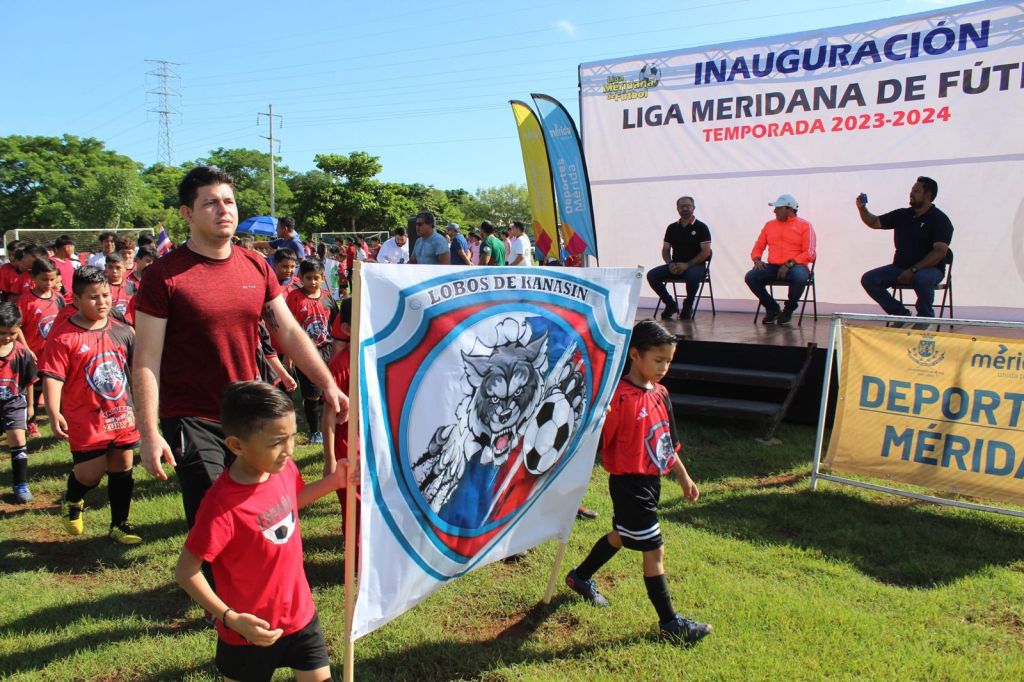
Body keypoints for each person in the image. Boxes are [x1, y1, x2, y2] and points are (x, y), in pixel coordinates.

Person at [133, 166, 346, 538]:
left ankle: (257, 572)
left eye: (229, 201)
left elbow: (288, 331)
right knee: (214, 516)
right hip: (192, 416)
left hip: (249, 411)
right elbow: (146, 359)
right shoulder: (163, 276)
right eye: (210, 203)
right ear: (187, 213)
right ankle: (213, 577)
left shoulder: (255, 265)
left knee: (260, 509)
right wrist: (149, 432)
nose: (223, 210)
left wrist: (327, 383)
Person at [175, 381, 342, 682]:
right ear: (237, 446)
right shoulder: (221, 507)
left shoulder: (283, 469)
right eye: (277, 442)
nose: (289, 450)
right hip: (248, 633)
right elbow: (187, 572)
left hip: (301, 617)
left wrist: (333, 482)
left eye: (292, 437)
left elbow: (291, 502)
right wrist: (230, 618)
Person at [564, 319, 712, 643]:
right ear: (634, 355)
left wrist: (683, 476)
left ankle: (580, 577)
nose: (664, 368)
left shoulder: (661, 394)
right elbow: (594, 444)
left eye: (668, 361)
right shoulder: (617, 398)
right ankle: (670, 624)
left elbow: (666, 443)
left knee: (621, 535)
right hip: (628, 484)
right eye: (658, 360)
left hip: (651, 483)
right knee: (654, 550)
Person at [40, 266, 142, 544]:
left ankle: (119, 525)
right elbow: (53, 376)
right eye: (94, 297)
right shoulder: (64, 336)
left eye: (106, 295)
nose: (102, 302)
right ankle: (73, 498)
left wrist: (144, 407)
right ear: (76, 299)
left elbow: (135, 372)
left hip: (122, 413)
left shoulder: (123, 331)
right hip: (85, 418)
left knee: (123, 467)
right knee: (90, 474)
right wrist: (53, 411)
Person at [857, 177, 954, 323]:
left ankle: (925, 318)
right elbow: (874, 222)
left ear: (928, 195)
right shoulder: (902, 214)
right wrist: (862, 208)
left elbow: (940, 252)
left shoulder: (940, 220)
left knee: (921, 278)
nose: (911, 194)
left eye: (916, 191)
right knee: (869, 279)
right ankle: (901, 314)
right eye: (911, 190)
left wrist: (913, 270)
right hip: (900, 267)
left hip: (930, 269)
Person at [285, 259, 337, 445]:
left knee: (328, 390)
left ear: (323, 278)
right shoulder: (294, 298)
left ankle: (332, 425)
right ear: (301, 277)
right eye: (308, 278)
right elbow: (288, 327)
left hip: (327, 350)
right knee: (312, 393)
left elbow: (336, 325)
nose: (313, 282)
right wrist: (289, 354)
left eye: (316, 278)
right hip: (304, 352)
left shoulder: (328, 298)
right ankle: (315, 432)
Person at [744, 194, 816, 325]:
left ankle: (788, 310)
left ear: (789, 209)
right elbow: (758, 246)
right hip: (773, 266)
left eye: (778, 208)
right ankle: (772, 308)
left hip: (796, 265)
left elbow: (810, 253)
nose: (774, 211)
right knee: (751, 276)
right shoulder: (769, 225)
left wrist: (789, 264)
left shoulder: (805, 225)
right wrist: (757, 259)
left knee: (800, 276)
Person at [646, 196, 712, 320]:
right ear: (677, 209)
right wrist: (670, 263)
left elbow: (706, 252)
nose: (685, 209)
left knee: (692, 275)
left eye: (688, 206)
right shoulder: (671, 228)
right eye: (682, 206)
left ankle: (688, 306)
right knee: (652, 275)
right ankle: (670, 304)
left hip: (696, 266)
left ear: (694, 208)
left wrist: (687, 265)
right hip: (675, 265)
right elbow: (665, 250)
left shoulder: (701, 227)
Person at [0, 302, 37, 503]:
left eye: (12, 333)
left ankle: (20, 484)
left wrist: (30, 406)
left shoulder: (22, 353)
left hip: (14, 402)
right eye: (2, 333)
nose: (7, 337)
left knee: (18, 441)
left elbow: (29, 381)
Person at [105, 253, 136, 323]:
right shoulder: (102, 286)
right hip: (109, 325)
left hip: (128, 325)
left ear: (125, 268)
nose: (114, 271)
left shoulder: (130, 286)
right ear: (105, 267)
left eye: (118, 267)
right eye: (110, 267)